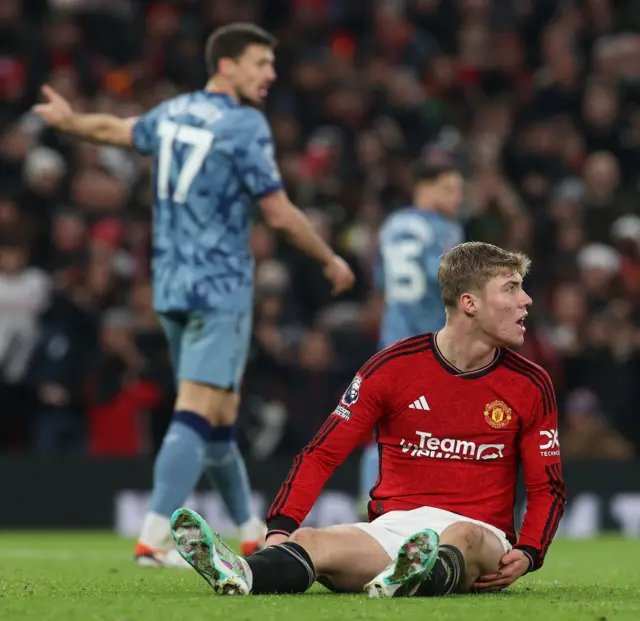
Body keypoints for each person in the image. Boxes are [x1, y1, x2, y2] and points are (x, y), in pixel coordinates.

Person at [31, 22, 354, 566]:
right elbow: (275, 211)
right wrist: (329, 257)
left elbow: (117, 129)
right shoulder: (243, 124)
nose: (270, 74)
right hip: (219, 285)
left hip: (171, 283)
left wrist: (68, 122)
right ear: (226, 65)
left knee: (220, 412)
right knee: (197, 408)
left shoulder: (174, 112)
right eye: (260, 63)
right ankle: (152, 540)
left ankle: (253, 533)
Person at [169, 241, 566, 597]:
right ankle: (242, 575)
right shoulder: (392, 368)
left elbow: (547, 486)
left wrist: (530, 551)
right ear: (470, 303)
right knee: (310, 541)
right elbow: (323, 454)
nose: (526, 300)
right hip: (394, 533)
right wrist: (280, 528)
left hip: (481, 536)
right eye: (511, 288)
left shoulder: (530, 383)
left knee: (459, 536)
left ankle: (407, 577)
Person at [359, 161, 465, 515]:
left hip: (392, 344)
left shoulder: (391, 226)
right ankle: (435, 506)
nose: (457, 197)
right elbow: (454, 288)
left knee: (385, 427)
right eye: (450, 188)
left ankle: (372, 504)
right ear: (426, 187)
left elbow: (381, 286)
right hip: (433, 345)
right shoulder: (445, 230)